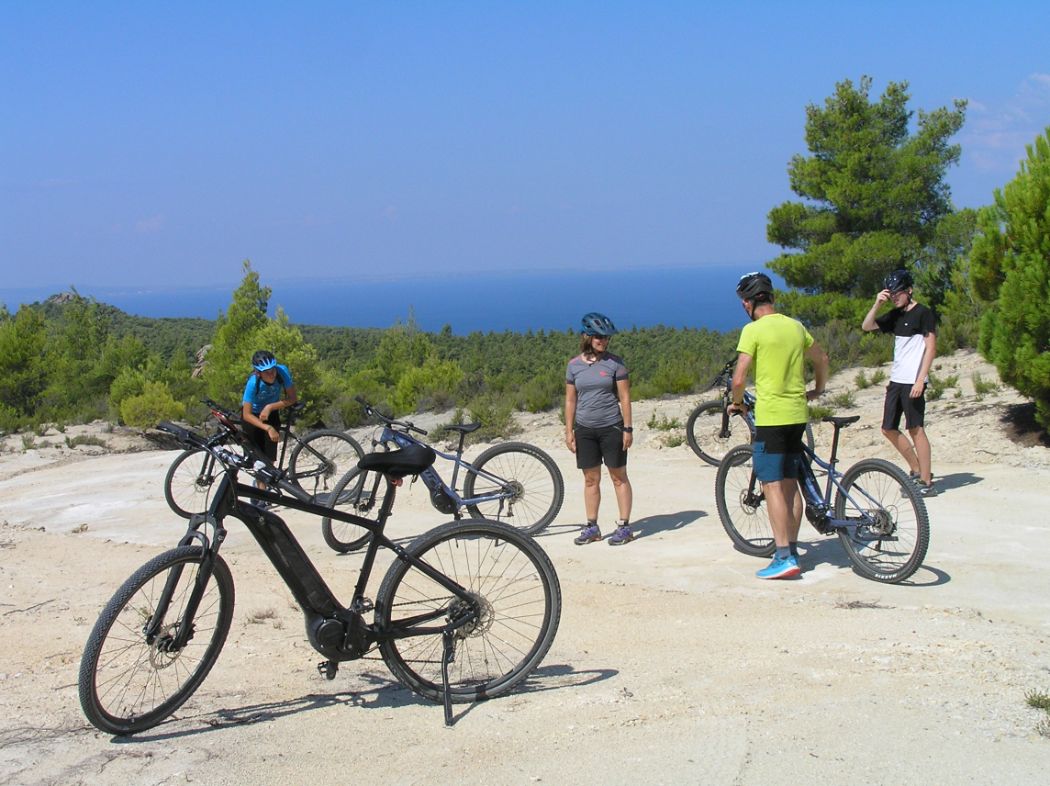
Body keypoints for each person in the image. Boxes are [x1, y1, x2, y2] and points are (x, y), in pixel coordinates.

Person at [729, 272, 829, 579]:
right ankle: (793, 549)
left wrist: (739, 402)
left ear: (748, 303)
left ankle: (784, 556)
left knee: (771, 484)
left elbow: (739, 378)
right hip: (797, 414)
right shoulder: (795, 326)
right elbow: (821, 358)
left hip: (771, 417)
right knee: (790, 482)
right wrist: (818, 389)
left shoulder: (753, 330)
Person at [861, 268, 938, 496]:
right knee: (888, 428)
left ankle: (926, 481)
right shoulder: (895, 315)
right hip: (896, 380)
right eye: (891, 294)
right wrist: (877, 304)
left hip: (913, 381)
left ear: (909, 291)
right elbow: (867, 326)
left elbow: (931, 348)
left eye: (898, 293)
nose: (895, 297)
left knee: (916, 429)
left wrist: (920, 380)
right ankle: (916, 469)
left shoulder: (924, 313)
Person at [565, 312, 635, 546]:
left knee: (618, 477)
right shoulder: (574, 366)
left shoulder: (616, 363)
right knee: (590, 479)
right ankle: (592, 527)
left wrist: (628, 428)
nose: (603, 341)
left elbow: (625, 397)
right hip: (585, 429)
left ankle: (624, 527)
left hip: (611, 427)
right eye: (598, 337)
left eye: (605, 338)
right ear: (587, 337)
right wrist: (569, 430)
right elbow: (570, 400)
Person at [241, 350, 297, 487]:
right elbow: (246, 414)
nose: (271, 374)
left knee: (269, 457)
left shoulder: (281, 372)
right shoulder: (253, 383)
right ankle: (262, 492)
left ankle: (264, 488)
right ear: (258, 372)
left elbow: (292, 398)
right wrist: (267, 427)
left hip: (271, 413)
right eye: (266, 372)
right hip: (253, 416)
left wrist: (270, 407)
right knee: (258, 458)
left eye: (272, 370)